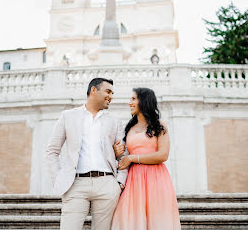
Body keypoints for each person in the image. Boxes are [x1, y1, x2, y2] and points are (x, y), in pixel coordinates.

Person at [45, 78, 128, 230]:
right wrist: (58, 178)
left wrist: (119, 182)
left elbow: (123, 155)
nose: (111, 96)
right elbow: (52, 151)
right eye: (108, 91)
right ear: (94, 90)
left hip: (107, 184)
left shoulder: (115, 121)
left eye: (112, 93)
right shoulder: (68, 116)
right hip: (75, 185)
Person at [111, 87, 181, 230]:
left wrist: (132, 158)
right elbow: (123, 156)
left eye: (133, 99)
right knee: (129, 219)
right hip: (134, 180)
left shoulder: (159, 125)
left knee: (157, 220)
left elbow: (163, 155)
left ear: (144, 101)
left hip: (156, 179)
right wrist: (116, 152)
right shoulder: (128, 128)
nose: (129, 103)